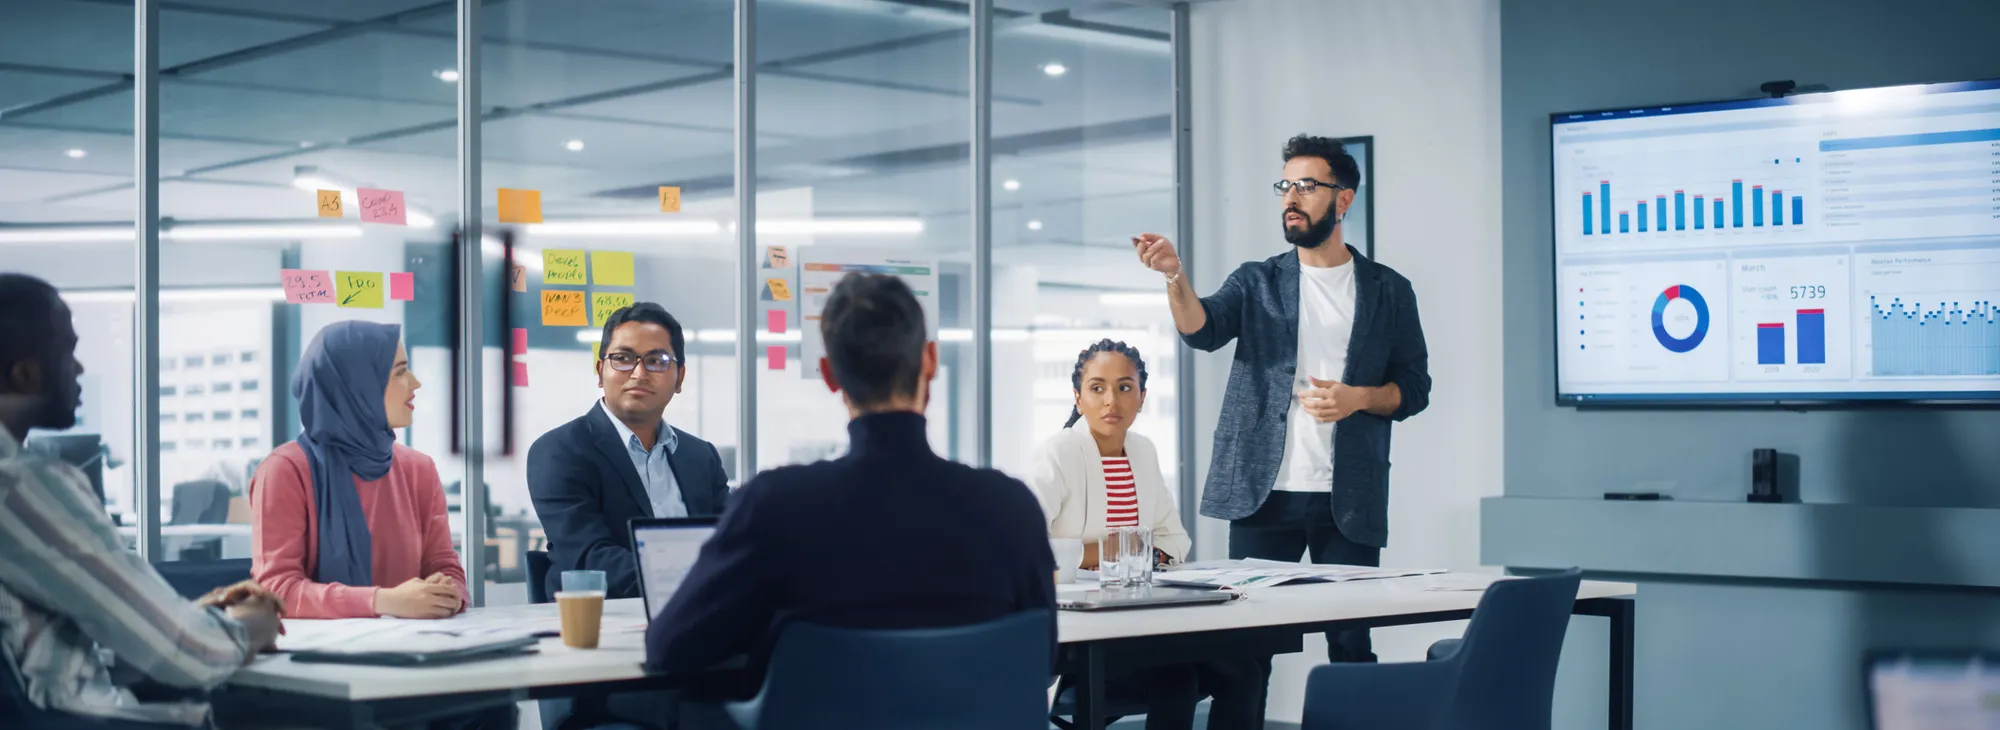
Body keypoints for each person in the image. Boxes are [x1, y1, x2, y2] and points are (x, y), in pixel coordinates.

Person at [646, 273, 1056, 695]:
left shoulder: (775, 507)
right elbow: (1040, 659)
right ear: (930, 359)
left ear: (829, 374)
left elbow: (670, 647)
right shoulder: (1011, 507)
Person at [1132, 135, 1431, 670]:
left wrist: (1357, 398)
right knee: (1243, 652)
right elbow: (1202, 330)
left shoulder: (1389, 290)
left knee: (1350, 644)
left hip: (1349, 501)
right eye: (1286, 185)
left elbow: (1414, 388)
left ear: (1343, 199)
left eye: (1307, 186)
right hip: (1260, 494)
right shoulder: (1257, 280)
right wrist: (1175, 277)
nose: (1291, 197)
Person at [0, 273, 282, 728]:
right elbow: (193, 657)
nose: (78, 369)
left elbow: (49, 639)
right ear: (25, 373)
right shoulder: (23, 488)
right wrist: (253, 623)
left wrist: (179, 617)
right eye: (66, 352)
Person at [1028, 340, 1262, 730]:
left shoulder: (1143, 451)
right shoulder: (1058, 453)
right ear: (1077, 397)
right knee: (1177, 679)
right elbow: (1028, 548)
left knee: (1244, 671)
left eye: (1124, 387)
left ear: (1142, 397)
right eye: (1097, 388)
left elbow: (1174, 539)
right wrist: (1115, 551)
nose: (1111, 402)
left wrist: (1136, 554)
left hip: (1148, 620)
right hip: (1083, 634)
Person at [249, 321, 468, 620]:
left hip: (418, 648)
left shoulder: (420, 469)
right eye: (400, 371)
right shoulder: (284, 471)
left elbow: (445, 568)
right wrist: (383, 601)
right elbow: (277, 591)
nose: (415, 383)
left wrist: (448, 592)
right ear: (357, 385)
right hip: (319, 657)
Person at [529, 303, 730, 602]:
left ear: (680, 377)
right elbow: (590, 560)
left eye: (657, 360)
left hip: (702, 619)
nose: (639, 373)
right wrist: (705, 580)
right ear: (600, 372)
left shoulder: (701, 457)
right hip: (603, 626)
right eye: (622, 359)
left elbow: (731, 542)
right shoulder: (560, 451)